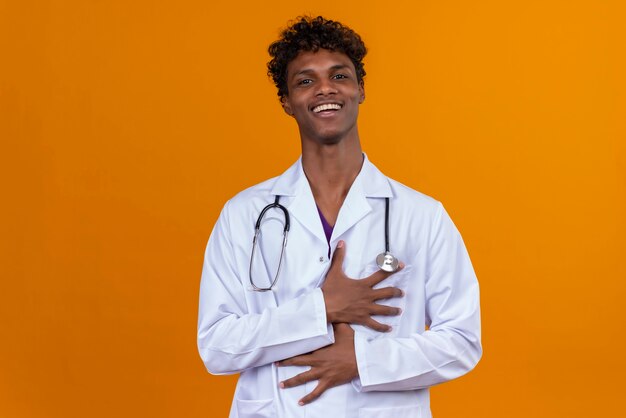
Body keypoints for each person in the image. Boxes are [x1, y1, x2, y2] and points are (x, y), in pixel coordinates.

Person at [197, 16, 481, 418]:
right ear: (286, 101)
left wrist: (363, 362)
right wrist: (321, 308)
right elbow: (216, 346)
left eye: (339, 75)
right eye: (305, 81)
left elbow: (463, 341)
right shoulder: (244, 215)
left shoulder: (423, 216)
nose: (325, 89)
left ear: (360, 89)